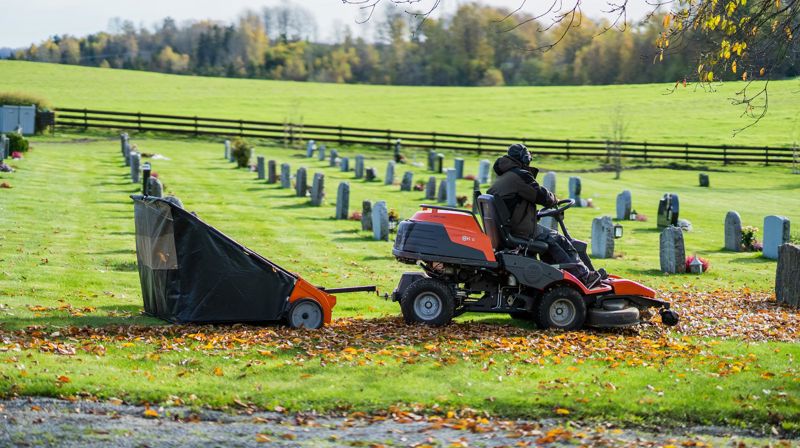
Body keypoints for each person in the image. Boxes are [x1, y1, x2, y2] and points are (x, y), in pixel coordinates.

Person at [487, 143, 603, 288]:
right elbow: (541, 195)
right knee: (556, 239)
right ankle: (583, 277)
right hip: (520, 232)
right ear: (524, 158)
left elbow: (516, 205)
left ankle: (558, 277)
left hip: (509, 229)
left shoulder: (504, 176)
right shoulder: (520, 175)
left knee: (550, 236)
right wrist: (554, 200)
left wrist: (535, 215)